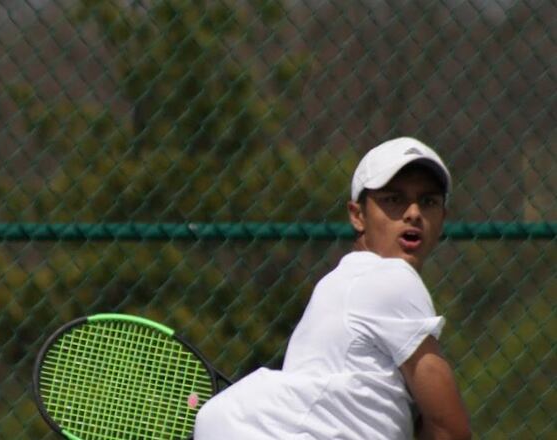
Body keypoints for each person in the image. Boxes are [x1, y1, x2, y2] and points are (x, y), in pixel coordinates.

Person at [194, 137, 471, 439]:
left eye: (428, 201)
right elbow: (450, 428)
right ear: (357, 215)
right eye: (394, 200)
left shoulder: (336, 286)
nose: (413, 213)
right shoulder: (391, 278)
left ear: (442, 218)